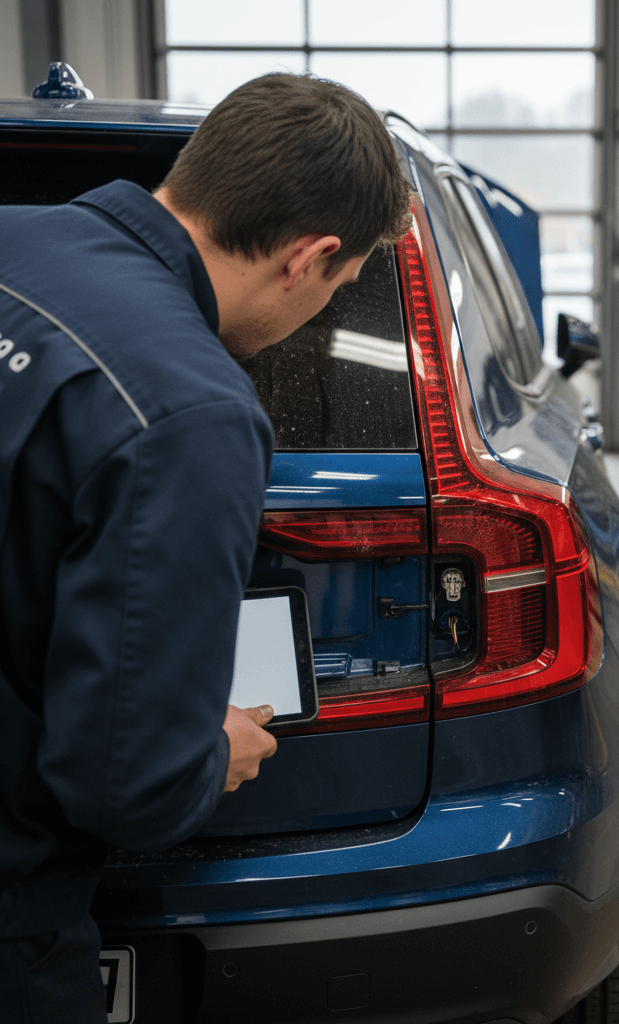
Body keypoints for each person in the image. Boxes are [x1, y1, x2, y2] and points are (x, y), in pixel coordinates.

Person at [0, 73, 411, 1021]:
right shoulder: (191, 411)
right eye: (341, 289)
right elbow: (126, 784)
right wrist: (207, 750)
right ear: (310, 259)